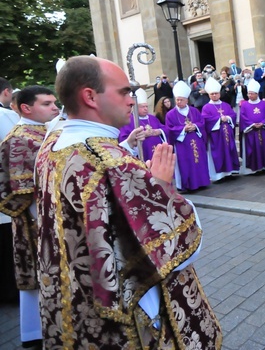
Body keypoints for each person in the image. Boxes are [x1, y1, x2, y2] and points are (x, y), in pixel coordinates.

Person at [33, 56, 222, 348]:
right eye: (124, 91)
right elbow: (180, 243)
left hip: (74, 299)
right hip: (127, 312)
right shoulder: (111, 163)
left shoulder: (51, 145)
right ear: (90, 96)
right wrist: (159, 187)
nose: (132, 100)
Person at [0, 85, 60, 348]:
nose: (55, 107)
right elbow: (23, 191)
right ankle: (36, 332)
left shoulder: (45, 131)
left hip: (52, 217)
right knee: (38, 274)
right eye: (47, 103)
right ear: (26, 108)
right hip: (37, 222)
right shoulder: (19, 139)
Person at [165, 80, 211, 192]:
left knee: (199, 160)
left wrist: (195, 126)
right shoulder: (170, 114)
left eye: (181, 100)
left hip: (196, 140)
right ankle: (188, 185)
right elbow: (169, 129)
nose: (179, 102)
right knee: (186, 163)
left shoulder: (194, 111)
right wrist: (183, 129)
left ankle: (202, 182)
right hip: (182, 144)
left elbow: (201, 122)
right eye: (177, 100)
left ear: (187, 100)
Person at [201, 77, 240, 181]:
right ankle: (219, 175)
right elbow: (205, 119)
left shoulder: (225, 105)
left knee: (229, 150)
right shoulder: (206, 107)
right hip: (216, 136)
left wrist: (227, 118)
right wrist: (219, 119)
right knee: (218, 153)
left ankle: (230, 172)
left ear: (219, 93)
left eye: (216, 93)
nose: (214, 95)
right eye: (212, 94)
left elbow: (233, 115)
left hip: (227, 134)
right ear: (209, 95)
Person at [119, 88, 166, 161]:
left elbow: (165, 129)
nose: (146, 109)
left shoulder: (152, 118)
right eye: (142, 107)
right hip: (143, 155)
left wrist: (158, 131)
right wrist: (140, 135)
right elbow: (123, 139)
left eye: (146, 106)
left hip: (159, 152)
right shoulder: (128, 120)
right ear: (135, 108)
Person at [238, 80, 265, 174]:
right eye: (248, 93)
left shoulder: (264, 104)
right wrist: (252, 124)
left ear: (257, 94)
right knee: (252, 149)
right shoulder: (244, 105)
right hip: (251, 131)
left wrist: (263, 123)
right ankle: (254, 168)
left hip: (264, 130)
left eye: (252, 94)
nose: (250, 95)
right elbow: (243, 117)